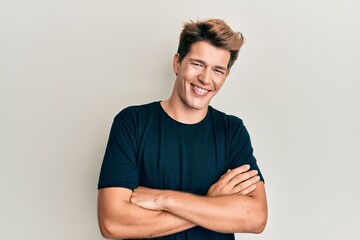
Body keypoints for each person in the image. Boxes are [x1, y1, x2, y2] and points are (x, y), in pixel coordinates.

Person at [97, 18, 267, 239]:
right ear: (177, 63)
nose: (206, 79)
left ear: (226, 76)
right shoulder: (132, 123)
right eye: (197, 64)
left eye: (217, 70)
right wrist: (210, 202)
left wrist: (165, 200)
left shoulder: (231, 131)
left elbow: (255, 217)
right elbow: (113, 223)